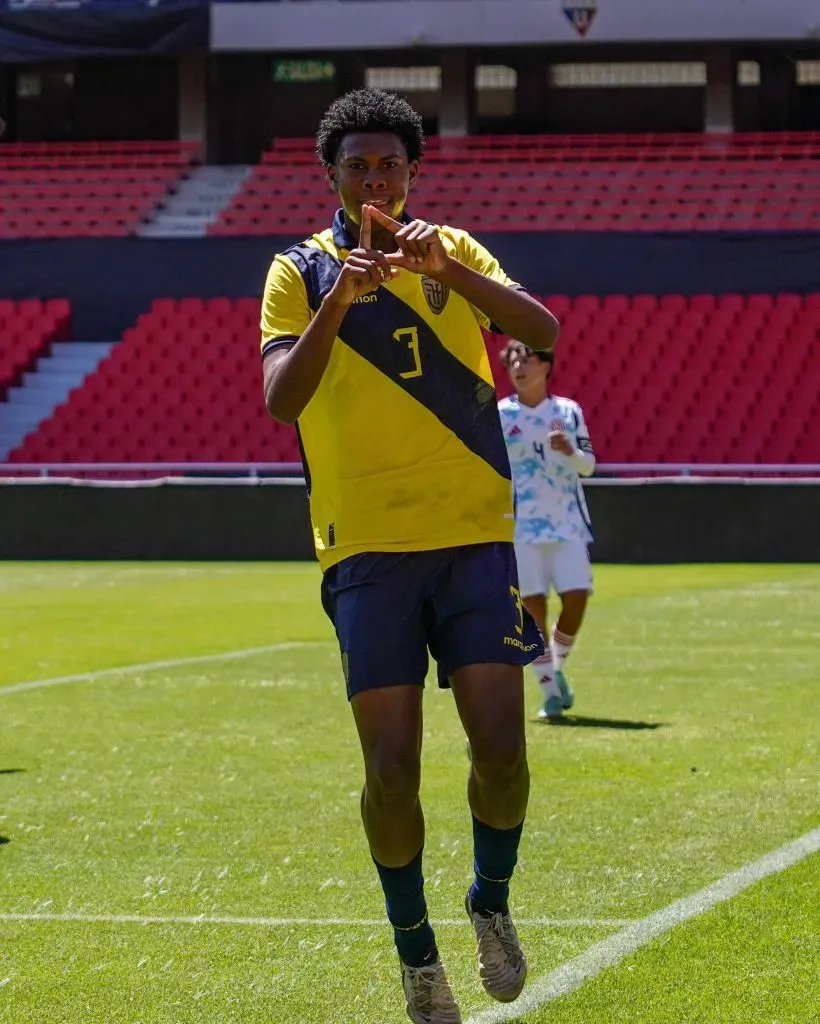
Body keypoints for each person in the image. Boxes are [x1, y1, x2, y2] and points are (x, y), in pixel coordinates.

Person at [259, 88, 559, 1024]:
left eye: (391, 164)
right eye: (359, 167)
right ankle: (416, 954)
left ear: (412, 171)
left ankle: (490, 901)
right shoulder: (299, 271)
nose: (377, 179)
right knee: (391, 768)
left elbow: (542, 333)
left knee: (503, 755)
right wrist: (341, 300)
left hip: (473, 535)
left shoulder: (454, 249)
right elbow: (281, 400)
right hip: (370, 549)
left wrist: (449, 273)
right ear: (334, 177)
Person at [497, 341, 595, 722]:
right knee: (532, 607)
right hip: (521, 527)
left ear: (546, 366)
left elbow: (588, 467)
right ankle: (550, 691)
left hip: (567, 522)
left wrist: (570, 451)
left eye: (528, 359)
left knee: (577, 597)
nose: (520, 367)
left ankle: (556, 669)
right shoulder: (501, 415)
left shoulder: (568, 412)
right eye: (514, 362)